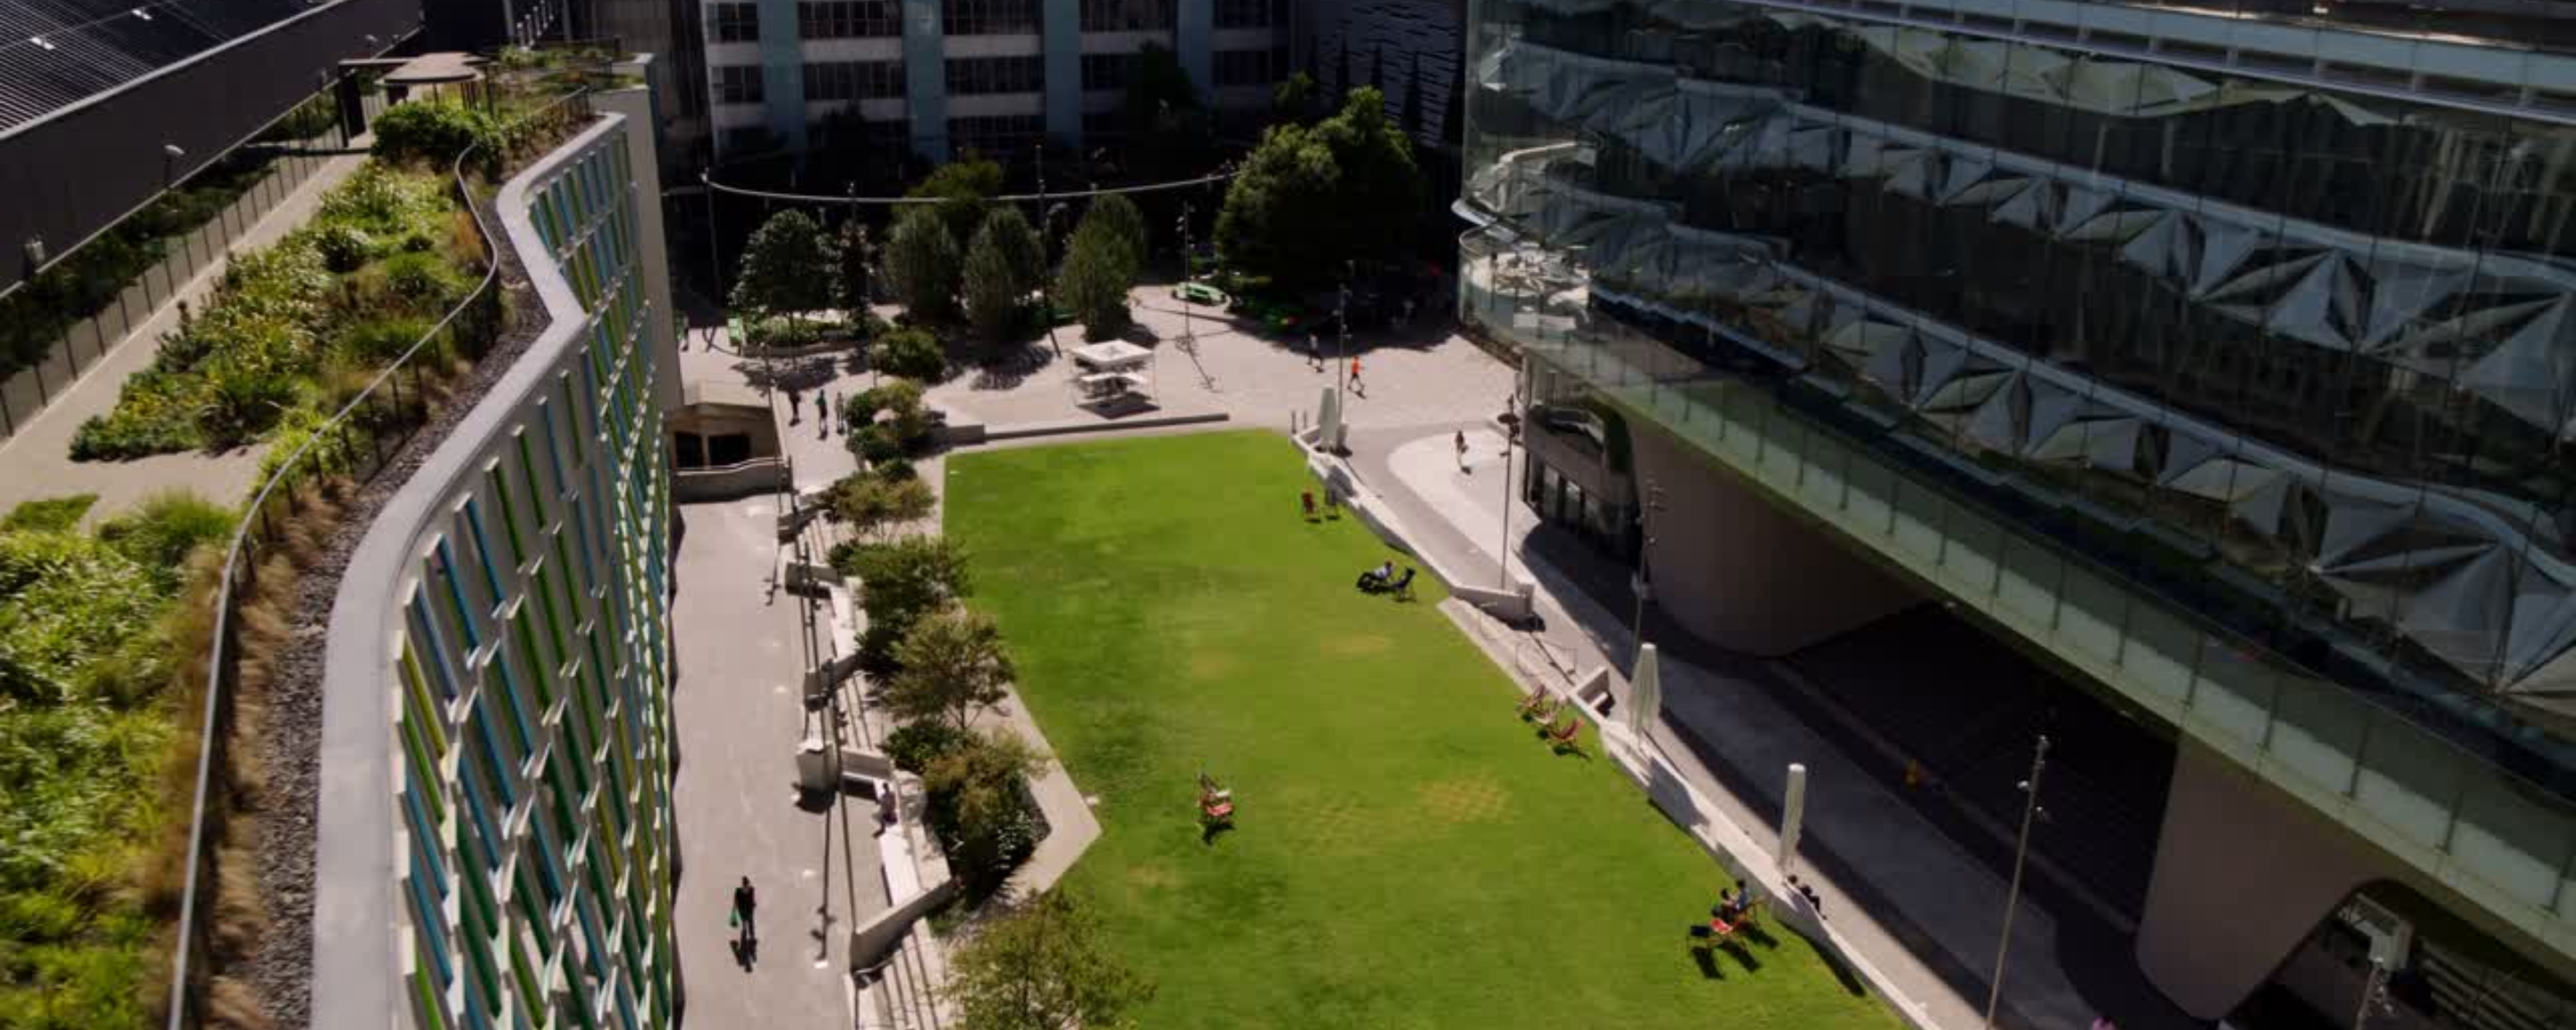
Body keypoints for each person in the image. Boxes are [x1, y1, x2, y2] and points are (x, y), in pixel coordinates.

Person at [731, 876, 758, 952]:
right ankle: (751, 940)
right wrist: (754, 904)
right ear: (748, 883)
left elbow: (735, 902)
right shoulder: (751, 890)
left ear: (742, 883)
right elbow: (752, 900)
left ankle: (746, 934)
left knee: (745, 921)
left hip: (742, 911)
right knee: (751, 923)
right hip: (749, 910)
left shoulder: (738, 891)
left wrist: (734, 912)